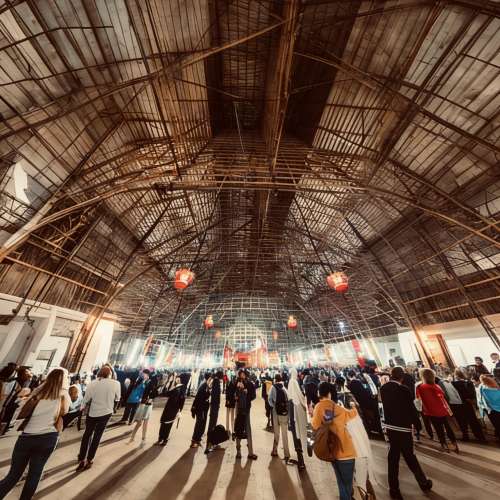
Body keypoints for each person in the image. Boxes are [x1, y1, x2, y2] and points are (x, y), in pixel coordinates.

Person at [0, 368, 69, 500]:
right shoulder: (64, 395)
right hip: (48, 438)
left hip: (27, 437)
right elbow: (64, 412)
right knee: (34, 475)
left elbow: (24, 410)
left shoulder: (38, 392)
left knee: (13, 475)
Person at [380, 367, 432, 500]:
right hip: (403, 428)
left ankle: (394, 490)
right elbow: (411, 409)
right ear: (402, 377)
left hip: (391, 428)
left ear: (391, 376)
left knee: (393, 459)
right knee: (410, 457)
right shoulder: (404, 389)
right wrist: (418, 425)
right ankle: (423, 483)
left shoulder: (383, 388)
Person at [311, 381, 358, 500]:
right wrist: (354, 407)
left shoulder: (318, 407)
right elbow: (352, 415)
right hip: (346, 452)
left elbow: (315, 425)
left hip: (332, 451)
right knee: (347, 485)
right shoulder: (338, 408)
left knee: (341, 483)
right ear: (329, 393)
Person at [77, 365, 121, 471]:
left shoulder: (93, 383)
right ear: (110, 373)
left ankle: (82, 458)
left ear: (99, 372)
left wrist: (82, 408)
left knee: (87, 435)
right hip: (106, 412)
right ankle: (90, 459)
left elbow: (86, 399)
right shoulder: (116, 383)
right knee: (97, 436)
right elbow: (117, 398)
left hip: (93, 413)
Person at [416, 368, 458, 453]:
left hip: (430, 411)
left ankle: (444, 444)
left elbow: (419, 400)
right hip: (441, 409)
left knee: (438, 429)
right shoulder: (436, 386)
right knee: (447, 427)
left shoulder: (420, 387)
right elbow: (443, 397)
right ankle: (454, 444)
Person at [451, 369, 485, 441]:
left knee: (462, 421)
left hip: (459, 404)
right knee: (473, 420)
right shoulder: (469, 382)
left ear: (456, 375)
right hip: (468, 403)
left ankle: (465, 436)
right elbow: (473, 394)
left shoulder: (454, 384)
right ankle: (480, 436)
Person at [128, 372, 158, 446]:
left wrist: (151, 398)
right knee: (139, 422)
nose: (143, 376)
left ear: (148, 375)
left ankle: (142, 438)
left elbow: (155, 392)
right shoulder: (142, 382)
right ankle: (133, 437)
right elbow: (139, 392)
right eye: (143, 375)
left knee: (145, 422)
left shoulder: (150, 382)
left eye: (144, 375)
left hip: (147, 404)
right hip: (142, 403)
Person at [234, 369, 257, 460]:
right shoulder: (236, 383)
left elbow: (253, 396)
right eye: (241, 374)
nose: (242, 376)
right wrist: (236, 396)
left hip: (245, 409)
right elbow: (231, 393)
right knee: (240, 428)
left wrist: (246, 392)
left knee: (246, 428)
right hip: (240, 409)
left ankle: (249, 452)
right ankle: (240, 452)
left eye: (243, 374)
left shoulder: (249, 384)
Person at [287, 368, 308, 470]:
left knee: (296, 436)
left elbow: (290, 398)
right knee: (298, 434)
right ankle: (301, 460)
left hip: (294, 415)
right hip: (297, 414)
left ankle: (301, 461)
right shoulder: (294, 382)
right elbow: (300, 396)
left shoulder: (291, 382)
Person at [156, 377, 185, 446]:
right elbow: (166, 394)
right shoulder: (178, 388)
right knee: (166, 424)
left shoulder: (178, 388)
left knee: (166, 424)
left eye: (178, 379)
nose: (177, 380)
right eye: (177, 379)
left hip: (171, 409)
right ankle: (162, 438)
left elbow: (165, 394)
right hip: (171, 409)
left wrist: (179, 410)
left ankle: (163, 438)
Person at [268, 373, 291, 462]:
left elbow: (269, 399)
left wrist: (274, 406)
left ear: (275, 379)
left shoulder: (272, 387)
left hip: (275, 412)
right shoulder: (284, 388)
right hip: (284, 414)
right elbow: (288, 401)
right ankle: (287, 454)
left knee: (276, 433)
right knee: (285, 434)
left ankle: (274, 450)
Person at [190, 373, 211, 448]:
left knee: (201, 425)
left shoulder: (206, 386)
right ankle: (194, 441)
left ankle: (198, 439)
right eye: (211, 379)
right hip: (200, 409)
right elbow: (198, 399)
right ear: (209, 379)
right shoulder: (203, 386)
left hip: (203, 409)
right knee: (199, 424)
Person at [205, 370, 223, 453]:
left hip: (214, 405)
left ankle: (210, 443)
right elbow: (215, 395)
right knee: (212, 425)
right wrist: (216, 405)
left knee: (212, 424)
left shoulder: (215, 381)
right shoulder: (216, 382)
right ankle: (208, 445)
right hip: (214, 406)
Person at [479, 374, 500, 440]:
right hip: (497, 409)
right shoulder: (496, 388)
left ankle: (497, 435)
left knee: (496, 424)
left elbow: (481, 399)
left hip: (490, 410)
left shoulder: (481, 387)